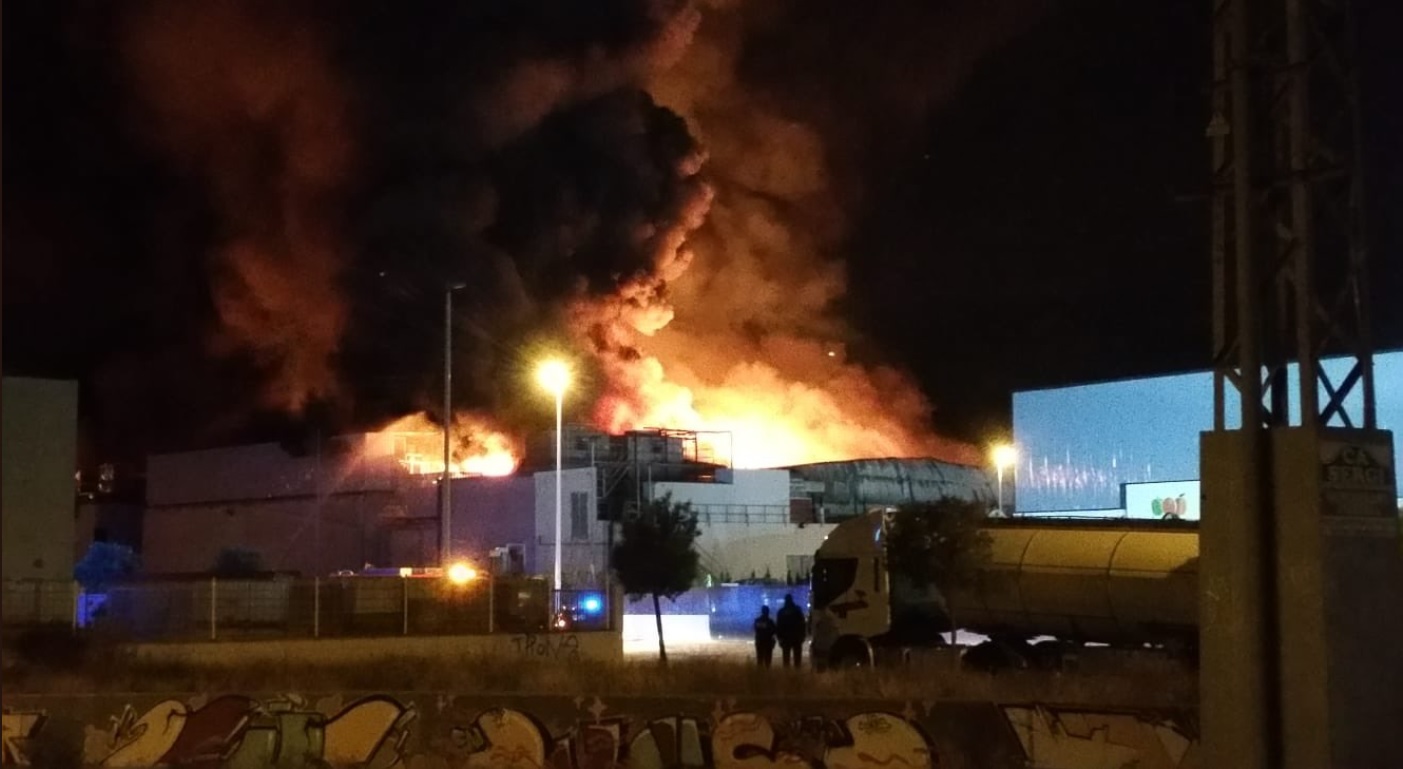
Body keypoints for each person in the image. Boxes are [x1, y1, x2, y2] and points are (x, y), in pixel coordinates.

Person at [776, 593, 807, 668]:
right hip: (796, 637)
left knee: (786, 658)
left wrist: (779, 638)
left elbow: (778, 626)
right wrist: (803, 635)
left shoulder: (781, 612)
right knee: (797, 659)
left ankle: (787, 674)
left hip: (785, 638)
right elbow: (802, 624)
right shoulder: (797, 610)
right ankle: (797, 674)